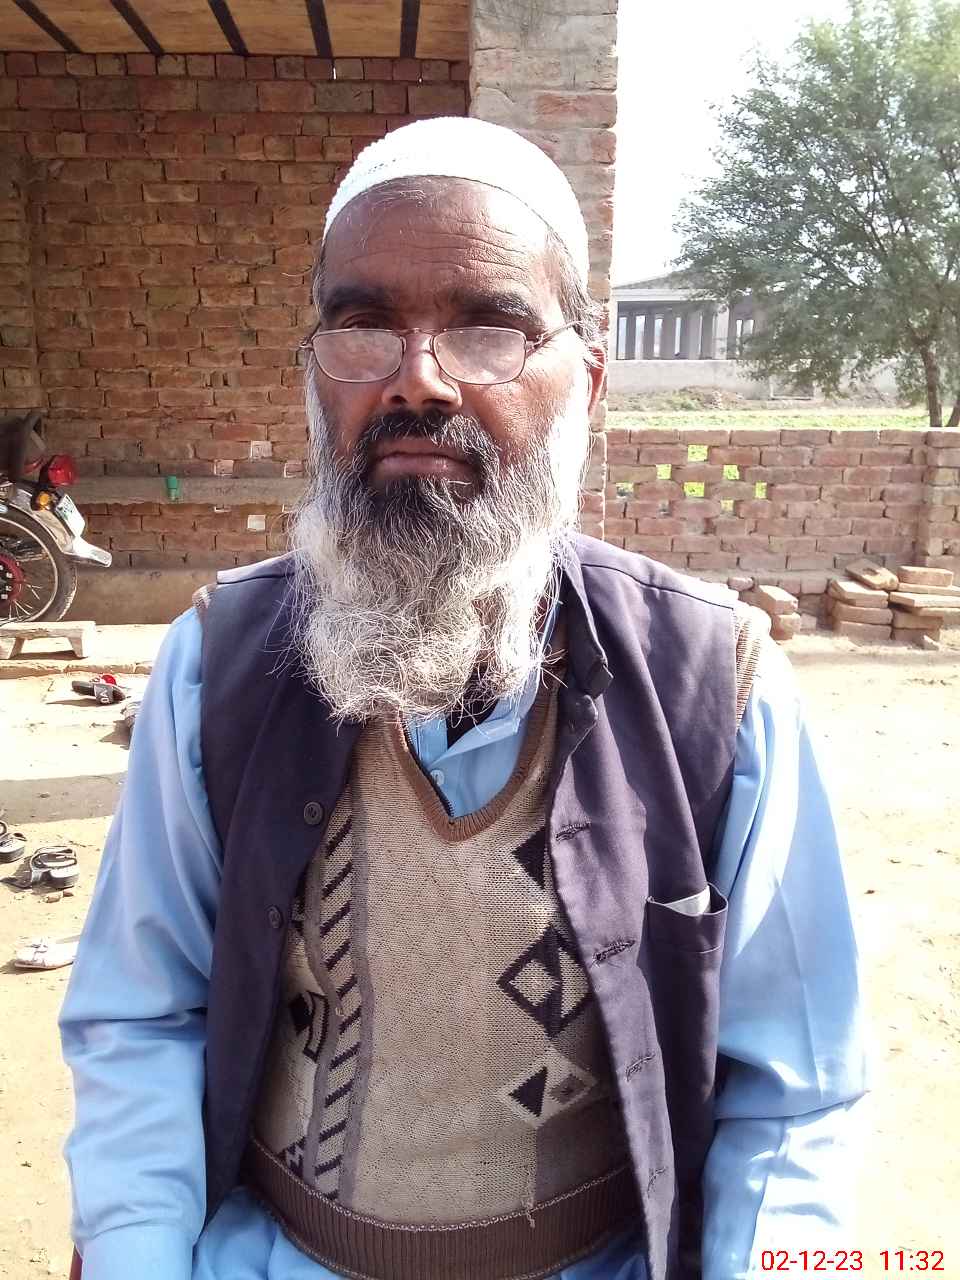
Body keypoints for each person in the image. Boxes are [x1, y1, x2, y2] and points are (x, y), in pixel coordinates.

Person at [60, 117, 867, 1280]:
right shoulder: (217, 662)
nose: (418, 378)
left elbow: (795, 1094)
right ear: (316, 370)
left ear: (586, 380)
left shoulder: (715, 681)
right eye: (363, 325)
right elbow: (141, 1018)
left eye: (488, 326)